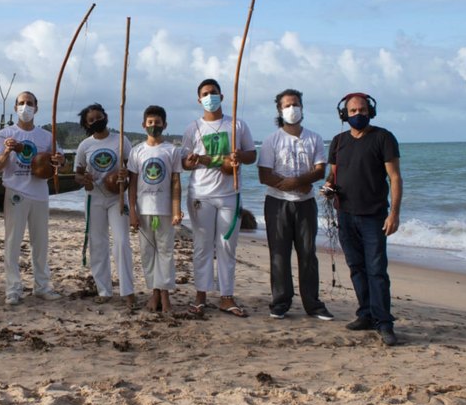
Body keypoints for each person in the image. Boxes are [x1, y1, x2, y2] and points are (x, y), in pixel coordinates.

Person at [325, 93, 402, 346]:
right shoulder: (338, 141)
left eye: (362, 110)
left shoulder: (383, 138)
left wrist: (394, 214)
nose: (358, 114)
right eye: (353, 110)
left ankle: (384, 322)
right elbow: (333, 175)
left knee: (377, 270)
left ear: (370, 112)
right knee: (357, 268)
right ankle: (365, 314)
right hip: (344, 215)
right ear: (344, 114)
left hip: (374, 216)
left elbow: (395, 178)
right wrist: (327, 186)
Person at [181, 78, 256, 317]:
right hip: (201, 194)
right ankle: (201, 295)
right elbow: (185, 162)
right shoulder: (193, 128)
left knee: (226, 246)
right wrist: (191, 161)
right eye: (205, 93)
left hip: (228, 195)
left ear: (222, 96)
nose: (209, 97)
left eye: (213, 93)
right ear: (198, 99)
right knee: (202, 246)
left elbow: (252, 155)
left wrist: (239, 156)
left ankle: (226, 297)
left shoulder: (237, 125)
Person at [257, 89, 333, 321]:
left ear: (302, 107)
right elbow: (264, 175)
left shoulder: (315, 138)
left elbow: (320, 170)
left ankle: (313, 303)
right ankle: (280, 301)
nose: (292, 109)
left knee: (308, 253)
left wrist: (301, 181)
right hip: (277, 203)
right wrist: (288, 185)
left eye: (296, 104)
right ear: (280, 110)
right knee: (279, 254)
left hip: (306, 204)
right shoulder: (272, 140)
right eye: (287, 105)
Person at [0, 91, 65, 305]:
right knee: (13, 242)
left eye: (30, 103)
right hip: (16, 192)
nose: (26, 107)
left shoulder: (45, 136)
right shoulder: (5, 134)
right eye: (22, 103)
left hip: (40, 194)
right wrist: (6, 152)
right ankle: (13, 288)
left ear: (36, 107)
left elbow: (60, 163)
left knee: (40, 243)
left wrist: (60, 160)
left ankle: (42, 286)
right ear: (15, 108)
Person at [74, 103, 135, 307]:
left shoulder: (121, 140)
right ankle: (104, 289)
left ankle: (127, 290)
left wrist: (125, 177)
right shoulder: (85, 145)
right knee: (97, 243)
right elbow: (78, 173)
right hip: (94, 198)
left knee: (121, 242)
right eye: (91, 120)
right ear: (86, 125)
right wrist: (85, 180)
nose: (96, 121)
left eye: (99, 117)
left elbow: (131, 168)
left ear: (105, 116)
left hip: (116, 197)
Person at [127, 105, 183, 313]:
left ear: (165, 125)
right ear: (143, 125)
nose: (153, 126)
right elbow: (132, 185)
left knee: (166, 252)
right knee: (147, 252)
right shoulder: (137, 151)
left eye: (157, 123)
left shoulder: (171, 150)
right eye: (150, 123)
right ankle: (154, 292)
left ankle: (165, 294)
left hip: (165, 210)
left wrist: (177, 210)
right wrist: (132, 211)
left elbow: (176, 182)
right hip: (143, 210)